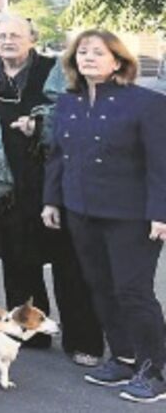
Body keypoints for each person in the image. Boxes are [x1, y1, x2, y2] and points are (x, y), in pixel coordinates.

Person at [0, 14, 103, 364]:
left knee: (68, 264)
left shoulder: (53, 68)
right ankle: (30, 333)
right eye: (2, 35)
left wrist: (39, 123)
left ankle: (83, 341)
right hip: (3, 183)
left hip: (52, 179)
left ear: (32, 39)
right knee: (17, 262)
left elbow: (73, 110)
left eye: (16, 35)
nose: (8, 41)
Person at [42, 29, 166, 403]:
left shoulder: (146, 103)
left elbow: (160, 163)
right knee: (100, 286)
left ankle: (154, 370)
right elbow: (58, 156)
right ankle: (124, 358)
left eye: (98, 52)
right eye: (82, 52)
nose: (88, 58)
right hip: (81, 211)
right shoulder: (68, 103)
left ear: (118, 61)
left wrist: (161, 212)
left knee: (133, 291)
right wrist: (51, 201)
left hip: (132, 216)